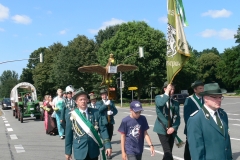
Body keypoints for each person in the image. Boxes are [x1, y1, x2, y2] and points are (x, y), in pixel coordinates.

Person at [187, 83, 232, 160]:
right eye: (215, 97)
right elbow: (196, 150)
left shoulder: (223, 114)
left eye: (220, 97)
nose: (219, 100)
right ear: (205, 98)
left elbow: (226, 142)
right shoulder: (196, 119)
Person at [65, 88, 112, 160]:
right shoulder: (72, 115)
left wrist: (108, 145)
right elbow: (68, 135)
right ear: (76, 102)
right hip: (79, 150)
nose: (83, 101)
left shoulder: (96, 113)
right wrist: (68, 152)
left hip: (93, 150)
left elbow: (103, 130)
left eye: (84, 99)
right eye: (80, 100)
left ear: (87, 100)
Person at [153, 82, 180, 160]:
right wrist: (166, 94)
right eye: (170, 89)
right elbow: (161, 104)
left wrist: (174, 128)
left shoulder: (175, 102)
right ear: (165, 89)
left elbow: (177, 118)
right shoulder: (158, 98)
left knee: (168, 152)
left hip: (171, 130)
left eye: (173, 89)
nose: (172, 91)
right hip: (161, 129)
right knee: (167, 151)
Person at [183, 80, 204, 160]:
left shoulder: (205, 99)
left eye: (203, 88)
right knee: (189, 147)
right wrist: (191, 128)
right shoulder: (189, 100)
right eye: (200, 88)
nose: (202, 90)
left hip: (204, 128)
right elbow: (187, 117)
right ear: (195, 90)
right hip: (193, 128)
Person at [96, 88, 118, 159]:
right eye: (102, 95)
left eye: (105, 94)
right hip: (103, 122)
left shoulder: (110, 102)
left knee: (110, 136)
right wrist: (105, 105)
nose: (104, 96)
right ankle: (108, 153)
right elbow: (99, 110)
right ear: (101, 96)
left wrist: (112, 112)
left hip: (110, 122)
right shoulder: (99, 103)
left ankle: (107, 147)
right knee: (106, 138)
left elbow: (115, 110)